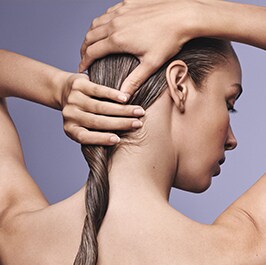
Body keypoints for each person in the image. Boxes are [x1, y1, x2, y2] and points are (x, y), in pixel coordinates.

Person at [0, 1, 265, 265]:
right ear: (179, 85)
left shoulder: (15, 236)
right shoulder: (238, 249)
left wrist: (58, 88)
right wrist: (195, 14)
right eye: (228, 104)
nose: (232, 140)